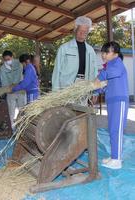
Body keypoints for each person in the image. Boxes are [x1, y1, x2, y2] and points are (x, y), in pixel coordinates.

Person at [94, 41, 129, 169]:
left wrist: (99, 77)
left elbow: (110, 74)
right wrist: (97, 90)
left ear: (115, 53)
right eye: (102, 52)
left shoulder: (117, 63)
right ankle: (114, 156)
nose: (103, 55)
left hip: (119, 101)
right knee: (112, 129)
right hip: (112, 101)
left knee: (117, 129)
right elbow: (106, 84)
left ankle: (117, 160)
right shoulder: (109, 66)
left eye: (106, 52)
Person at [52, 16, 99, 91]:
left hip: (84, 87)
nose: (82, 33)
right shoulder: (64, 48)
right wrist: (55, 91)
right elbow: (57, 71)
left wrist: (94, 90)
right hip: (66, 87)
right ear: (75, 29)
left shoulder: (91, 50)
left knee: (82, 103)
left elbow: (95, 71)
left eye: (85, 31)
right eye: (80, 30)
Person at [0, 50, 26, 129]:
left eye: (9, 59)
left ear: (12, 57)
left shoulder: (19, 64)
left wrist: (14, 86)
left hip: (20, 90)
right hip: (10, 92)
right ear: (3, 59)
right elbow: (4, 81)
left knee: (22, 110)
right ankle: (11, 129)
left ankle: (23, 128)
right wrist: (7, 89)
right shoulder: (2, 68)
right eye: (6, 60)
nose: (7, 61)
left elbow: (18, 77)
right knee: (11, 112)